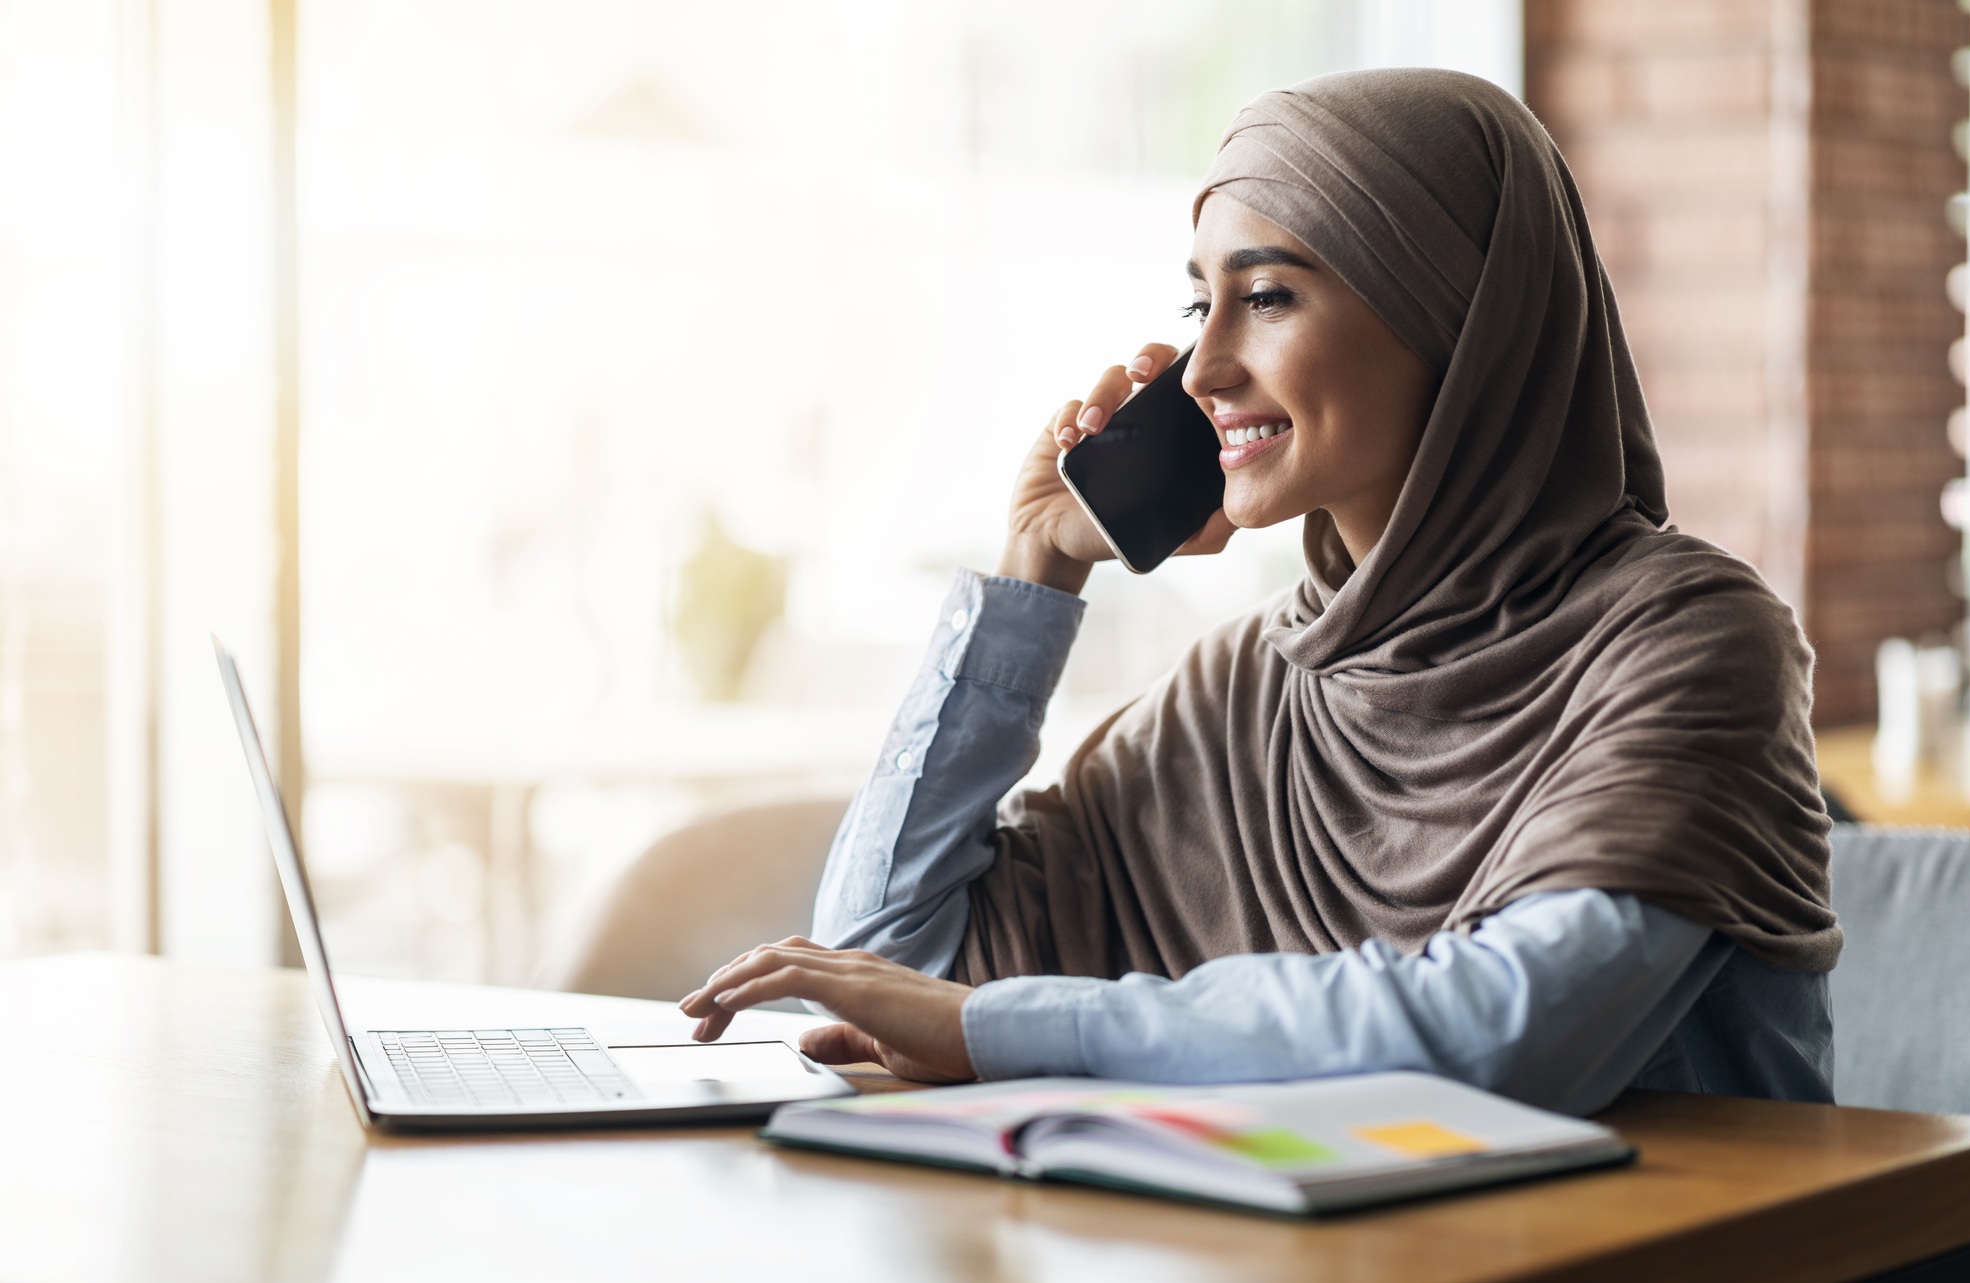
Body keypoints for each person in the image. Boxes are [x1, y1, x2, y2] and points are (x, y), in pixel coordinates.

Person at [679, 68, 1841, 1115]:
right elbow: (886, 959)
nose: (1202, 368)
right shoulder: (1254, 688)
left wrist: (1006, 1031)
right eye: (1199, 304)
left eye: (1269, 296)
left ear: (1460, 328)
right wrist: (1040, 565)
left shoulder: (1686, 640)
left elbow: (1501, 1032)